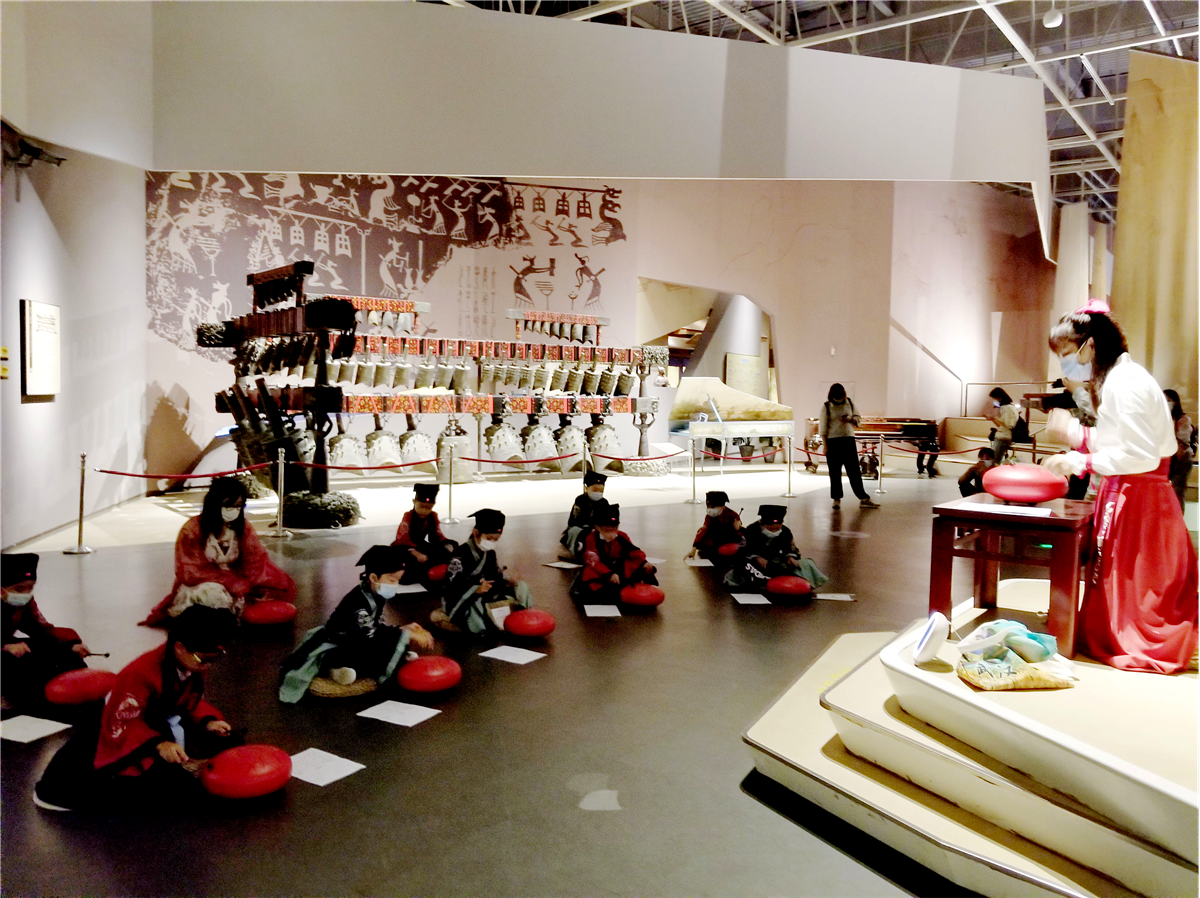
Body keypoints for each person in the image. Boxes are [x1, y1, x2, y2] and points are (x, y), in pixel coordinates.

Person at [1042, 305, 1197, 674]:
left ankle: (1151, 641)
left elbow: (1140, 455)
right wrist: (1076, 436)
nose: (1065, 365)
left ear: (1090, 346)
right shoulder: (1121, 378)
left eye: (1067, 354)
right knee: (1125, 581)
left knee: (1137, 585)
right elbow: (1122, 440)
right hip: (1135, 492)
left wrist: (1079, 461)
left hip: (1138, 495)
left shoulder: (1123, 382)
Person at [33, 605, 241, 812]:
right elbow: (121, 722)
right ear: (179, 647)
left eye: (215, 658)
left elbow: (190, 701)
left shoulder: (192, 663)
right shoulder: (140, 673)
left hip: (156, 723)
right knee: (172, 789)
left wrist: (209, 721)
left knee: (226, 740)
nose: (208, 666)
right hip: (124, 735)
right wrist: (159, 744)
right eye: (204, 659)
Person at [279, 545, 435, 702]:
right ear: (374, 578)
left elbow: (374, 627)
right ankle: (331, 668)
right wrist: (403, 635)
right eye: (392, 580)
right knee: (375, 653)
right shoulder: (357, 602)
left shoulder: (375, 595)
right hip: (340, 644)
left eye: (398, 581)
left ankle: (345, 669)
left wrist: (401, 628)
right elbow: (368, 637)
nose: (395, 585)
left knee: (388, 645)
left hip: (358, 639)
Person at [142, 477, 295, 627]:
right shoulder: (192, 529)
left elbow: (255, 560)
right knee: (212, 596)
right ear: (214, 504)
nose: (234, 511)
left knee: (272, 589)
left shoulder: (243, 527)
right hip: (201, 582)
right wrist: (230, 582)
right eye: (228, 505)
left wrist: (251, 584)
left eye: (238, 506)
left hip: (238, 579)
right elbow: (190, 570)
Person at [2, 554, 90, 712]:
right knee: (11, 660)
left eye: (30, 588)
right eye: (19, 589)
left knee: (60, 653)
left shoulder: (24, 602)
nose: (26, 593)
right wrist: (4, 647)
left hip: (8, 643)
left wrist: (70, 645)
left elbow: (42, 630)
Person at [433, 509, 533, 637]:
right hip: (462, 597)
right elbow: (452, 585)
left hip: (484, 591)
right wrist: (476, 589)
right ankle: (482, 627)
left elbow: (494, 576)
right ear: (476, 533)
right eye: (489, 538)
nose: (491, 542)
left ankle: (522, 614)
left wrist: (508, 579)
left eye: (495, 540)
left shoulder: (490, 553)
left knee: (521, 586)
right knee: (475, 605)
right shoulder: (461, 554)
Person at [723, 505, 829, 592]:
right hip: (757, 564)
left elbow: (791, 548)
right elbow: (743, 550)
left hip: (778, 562)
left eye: (777, 529)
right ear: (762, 524)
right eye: (771, 529)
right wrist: (756, 557)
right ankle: (760, 582)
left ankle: (800, 581)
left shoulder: (785, 532)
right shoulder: (752, 530)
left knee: (807, 563)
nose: (774, 532)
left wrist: (790, 557)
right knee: (743, 563)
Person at [570, 502, 658, 603]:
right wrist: (609, 574)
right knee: (589, 571)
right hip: (600, 568)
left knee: (633, 563)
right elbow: (593, 561)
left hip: (616, 565)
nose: (611, 531)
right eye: (607, 529)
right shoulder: (591, 538)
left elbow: (633, 550)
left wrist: (644, 563)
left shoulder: (621, 536)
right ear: (597, 527)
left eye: (614, 528)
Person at [819, 384, 879, 509]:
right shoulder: (827, 406)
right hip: (833, 441)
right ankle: (836, 499)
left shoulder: (849, 403)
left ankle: (863, 498)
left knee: (854, 471)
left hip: (848, 440)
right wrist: (825, 445)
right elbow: (823, 428)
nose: (840, 398)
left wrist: (850, 419)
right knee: (834, 472)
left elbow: (858, 418)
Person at [392, 482, 457, 584]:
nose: (424, 511)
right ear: (414, 502)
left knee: (448, 549)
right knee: (408, 562)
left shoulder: (433, 516)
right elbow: (402, 539)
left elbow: (437, 535)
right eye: (421, 506)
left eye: (428, 508)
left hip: (421, 545)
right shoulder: (408, 516)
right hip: (405, 548)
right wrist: (415, 553)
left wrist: (446, 545)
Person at [686, 491, 744, 563]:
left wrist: (737, 528)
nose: (710, 509)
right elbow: (703, 531)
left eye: (713, 507)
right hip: (716, 539)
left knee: (724, 550)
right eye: (709, 507)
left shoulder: (732, 515)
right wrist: (693, 550)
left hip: (728, 539)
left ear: (722, 507)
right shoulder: (709, 517)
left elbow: (739, 531)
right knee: (702, 534)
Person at [560, 470, 607, 558]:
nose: (598, 493)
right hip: (580, 528)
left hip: (598, 529)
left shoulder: (604, 502)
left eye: (601, 491)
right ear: (586, 488)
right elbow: (575, 520)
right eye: (595, 490)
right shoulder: (580, 500)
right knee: (576, 532)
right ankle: (575, 551)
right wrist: (589, 527)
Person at [1164, 389, 1195, 510]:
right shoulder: (1162, 419)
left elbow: (1183, 442)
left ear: (1175, 402)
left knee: (1177, 490)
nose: (1166, 402)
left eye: (1169, 400)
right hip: (1169, 459)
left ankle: (1178, 517)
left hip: (1182, 460)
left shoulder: (1183, 419)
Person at [986, 388, 1020, 464]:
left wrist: (995, 418)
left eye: (995, 398)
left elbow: (1009, 425)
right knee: (993, 460)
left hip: (1004, 438)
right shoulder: (1004, 408)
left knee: (994, 461)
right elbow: (1000, 425)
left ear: (1000, 398)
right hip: (1000, 436)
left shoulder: (1009, 408)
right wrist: (993, 419)